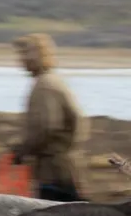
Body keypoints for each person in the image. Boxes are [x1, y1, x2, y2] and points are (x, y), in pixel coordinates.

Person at [12, 32, 90, 201]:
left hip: (54, 169)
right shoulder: (52, 81)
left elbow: (46, 127)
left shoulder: (45, 86)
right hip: (62, 165)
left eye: (25, 54)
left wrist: (23, 150)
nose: (21, 61)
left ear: (36, 56)